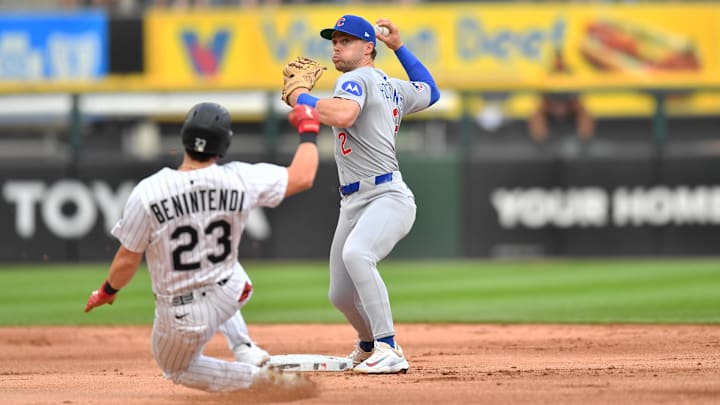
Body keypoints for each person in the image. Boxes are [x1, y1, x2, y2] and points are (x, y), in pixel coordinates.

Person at [84, 101, 321, 392]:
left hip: (183, 314)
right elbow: (303, 176)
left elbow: (127, 260)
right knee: (227, 268)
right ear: (224, 144)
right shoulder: (239, 178)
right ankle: (245, 347)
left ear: (184, 138)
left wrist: (108, 291)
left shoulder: (148, 192)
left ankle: (259, 380)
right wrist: (309, 129)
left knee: (177, 369)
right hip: (231, 291)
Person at [284, 15, 440, 374]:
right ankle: (368, 345)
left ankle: (389, 346)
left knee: (358, 254)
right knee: (339, 294)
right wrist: (399, 47)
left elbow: (343, 114)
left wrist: (299, 97)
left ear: (368, 48)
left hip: (386, 194)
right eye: (335, 40)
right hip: (354, 201)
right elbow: (430, 89)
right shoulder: (391, 85)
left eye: (346, 41)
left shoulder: (354, 79)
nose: (337, 46)